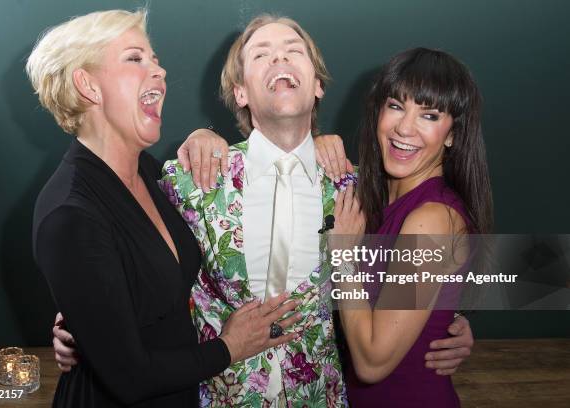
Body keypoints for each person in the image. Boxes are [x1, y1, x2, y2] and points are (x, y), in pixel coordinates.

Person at [52, 15, 476, 407]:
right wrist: (77, 326)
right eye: (261, 54)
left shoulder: (361, 189)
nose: (279, 57)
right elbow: (123, 263)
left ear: (317, 85)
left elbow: (420, 271)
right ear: (241, 92)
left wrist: (452, 322)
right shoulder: (187, 182)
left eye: (294, 50)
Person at [29, 9, 301, 407]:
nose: (160, 71)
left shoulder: (150, 172)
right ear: (87, 84)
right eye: (136, 58)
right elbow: (129, 375)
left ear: (319, 86)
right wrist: (230, 346)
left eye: (155, 59)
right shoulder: (69, 214)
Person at [320, 47, 492, 407]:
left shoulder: (432, 218)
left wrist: (345, 259)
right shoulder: (375, 200)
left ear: (452, 135)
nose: (404, 127)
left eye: (429, 115)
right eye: (396, 106)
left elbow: (372, 361)